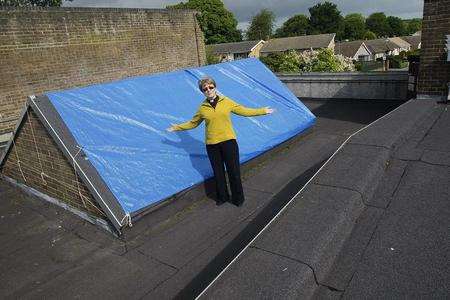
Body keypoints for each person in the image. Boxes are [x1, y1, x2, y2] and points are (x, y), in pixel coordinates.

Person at [167, 77, 274, 206]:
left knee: (233, 171)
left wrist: (263, 111)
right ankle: (222, 197)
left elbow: (244, 111)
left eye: (210, 87)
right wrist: (176, 127)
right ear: (202, 91)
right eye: (205, 89)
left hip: (229, 142)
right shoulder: (202, 108)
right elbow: (193, 123)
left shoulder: (226, 101)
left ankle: (238, 199)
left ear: (215, 87)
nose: (208, 90)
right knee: (218, 173)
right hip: (212, 145)